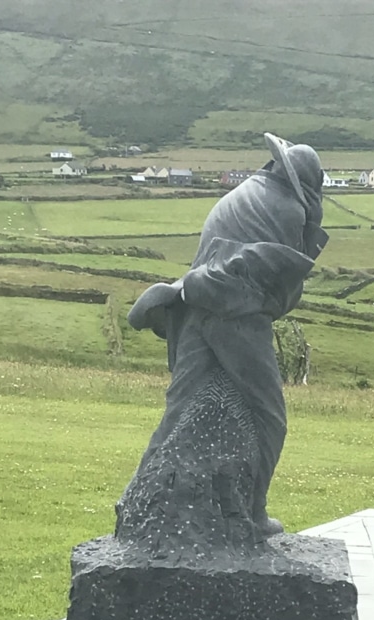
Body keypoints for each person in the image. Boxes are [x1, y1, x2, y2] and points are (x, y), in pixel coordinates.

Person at [116, 134, 327, 552]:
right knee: (269, 416)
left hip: (192, 303)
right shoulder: (286, 208)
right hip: (235, 315)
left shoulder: (246, 192)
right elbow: (282, 281)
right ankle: (255, 510)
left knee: (178, 410)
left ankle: (135, 503)